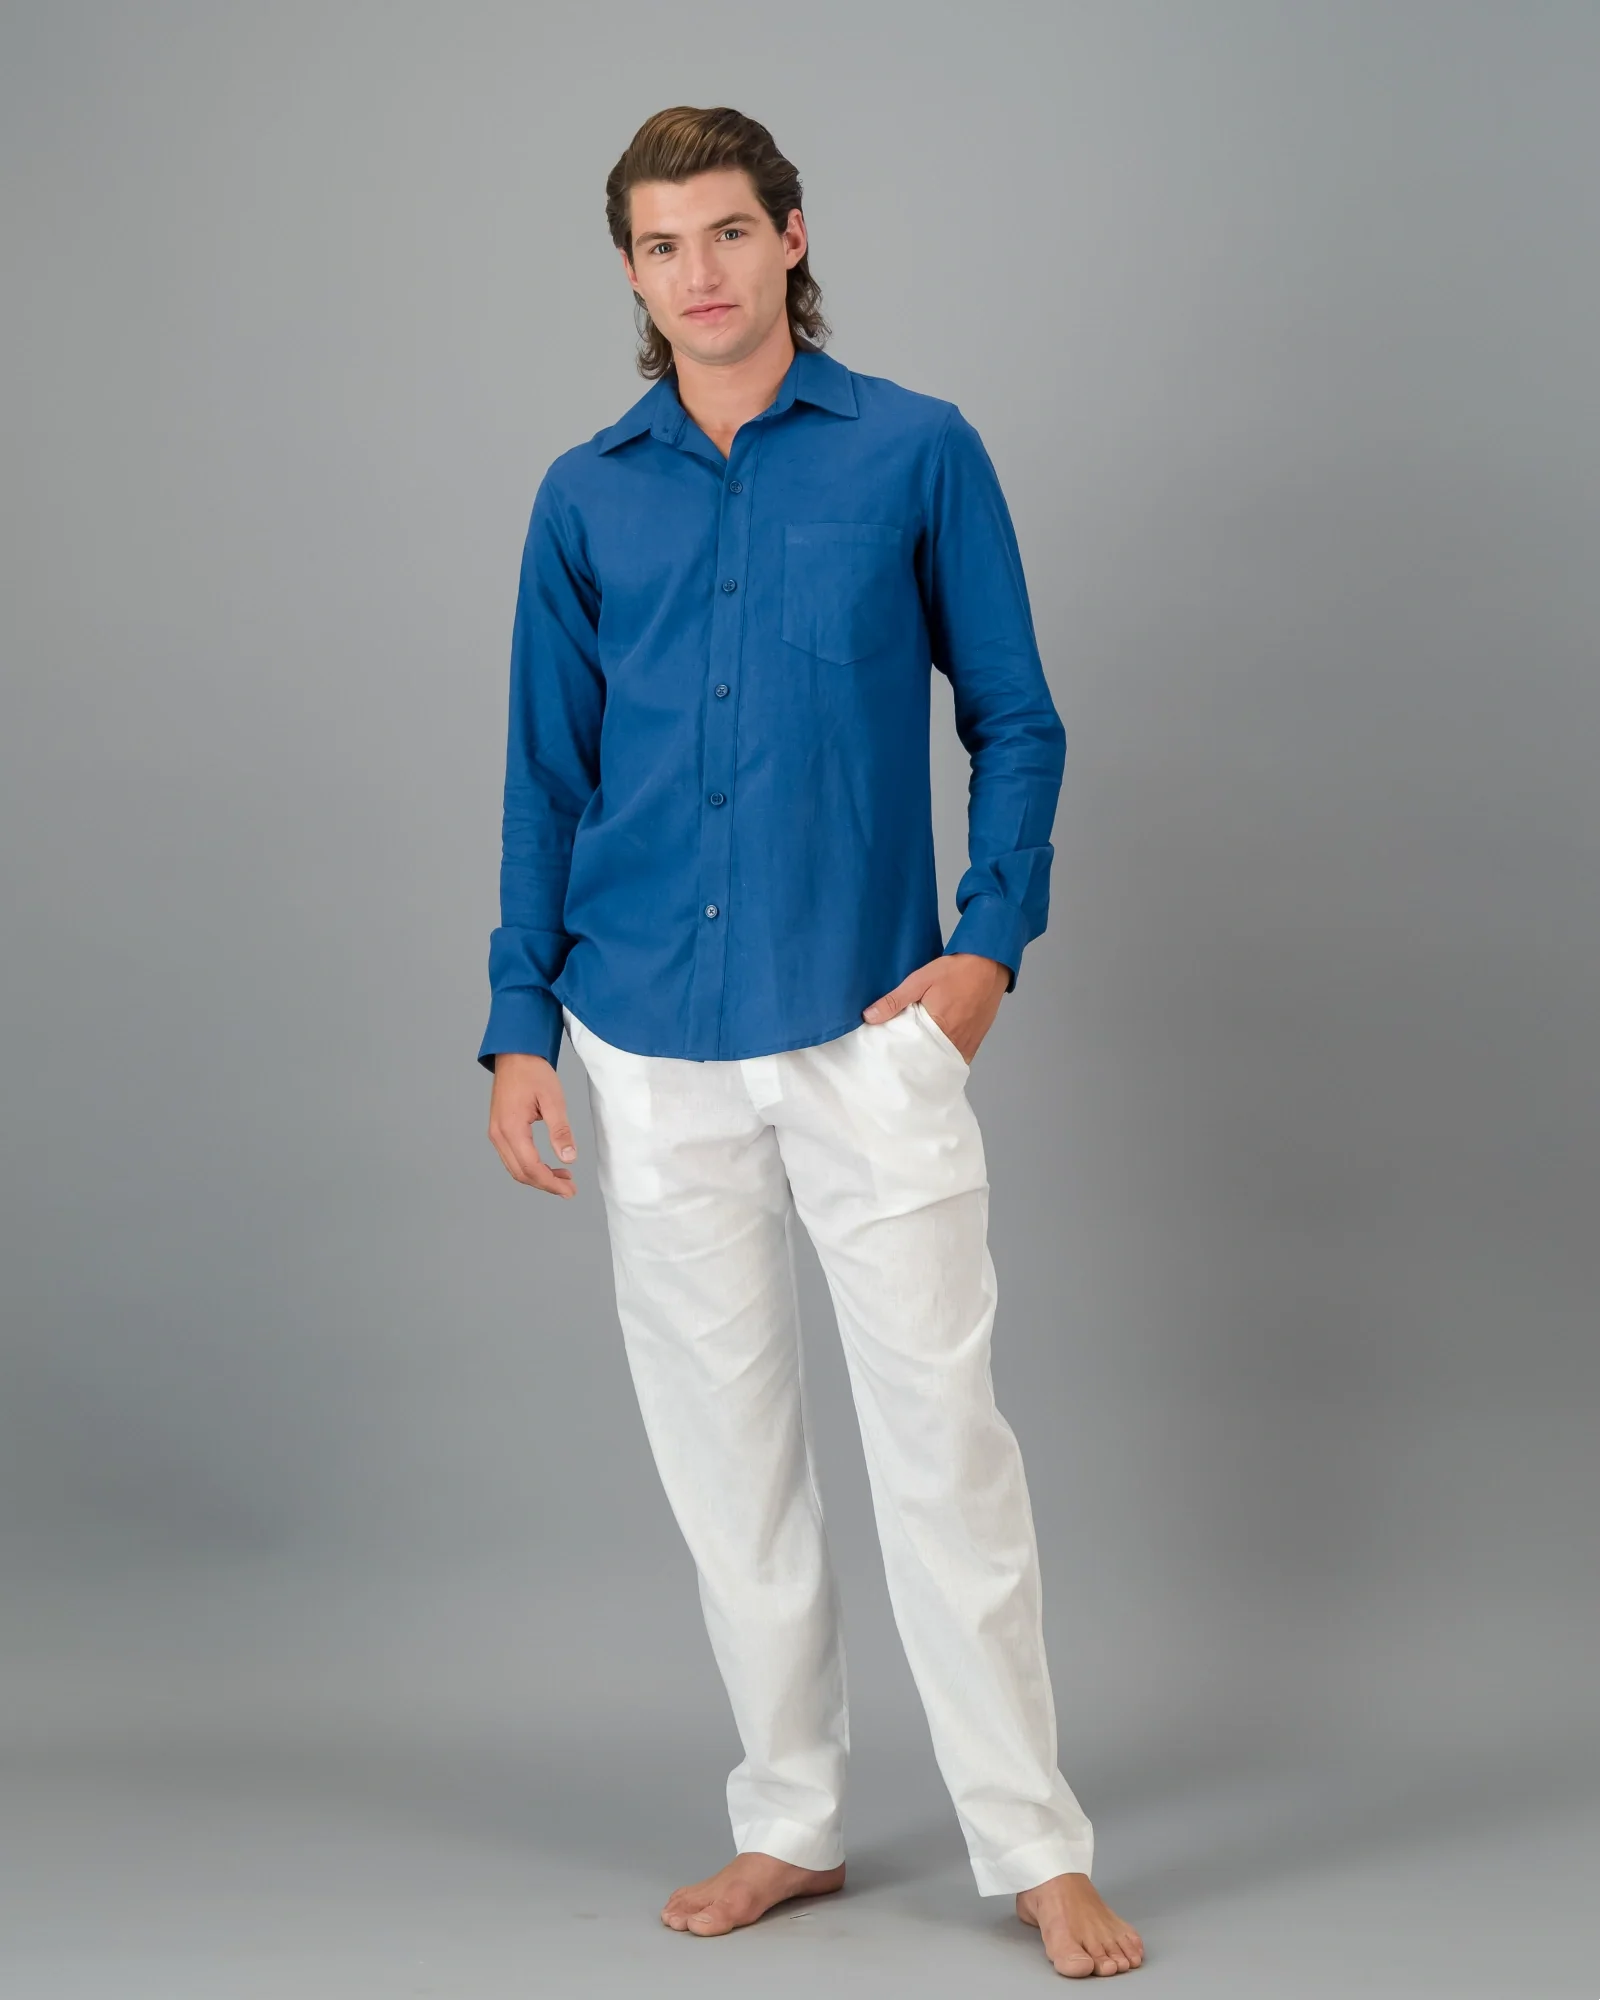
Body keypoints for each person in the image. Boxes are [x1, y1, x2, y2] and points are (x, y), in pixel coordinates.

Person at [478, 104, 1145, 1980]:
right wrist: (520, 1023)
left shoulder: (919, 452)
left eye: (726, 231)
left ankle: (1035, 1844)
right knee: (728, 1460)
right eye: (659, 244)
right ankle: (790, 1815)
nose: (696, 272)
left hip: (868, 1028)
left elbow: (1017, 718)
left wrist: (987, 950)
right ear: (630, 272)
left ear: (790, 236)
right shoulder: (583, 497)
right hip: (641, 1031)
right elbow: (544, 778)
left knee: (944, 1446)